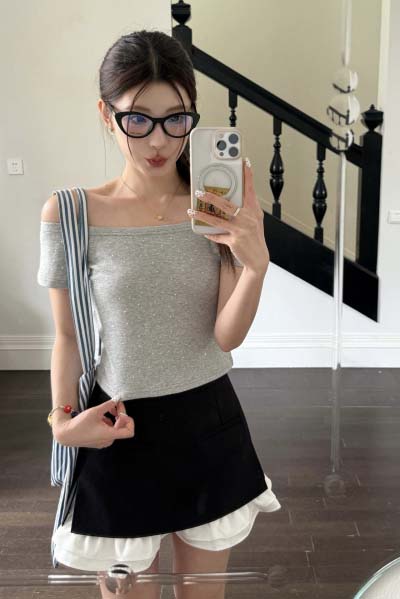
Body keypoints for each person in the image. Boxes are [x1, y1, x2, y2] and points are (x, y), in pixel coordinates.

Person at [37, 29, 281, 599]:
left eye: (176, 119)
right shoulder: (71, 214)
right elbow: (67, 335)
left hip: (208, 422)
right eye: (138, 119)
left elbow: (226, 337)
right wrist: (63, 422)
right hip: (119, 429)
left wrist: (256, 266)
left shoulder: (215, 207)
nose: (158, 140)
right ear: (106, 114)